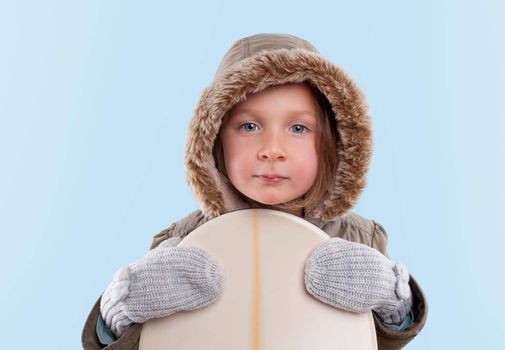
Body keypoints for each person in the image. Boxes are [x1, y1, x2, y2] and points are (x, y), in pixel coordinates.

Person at [82, 33, 428, 350]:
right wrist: (121, 309)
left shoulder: (358, 238)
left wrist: (394, 300)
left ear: (330, 142)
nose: (272, 149)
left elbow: (371, 340)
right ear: (215, 140)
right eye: (250, 126)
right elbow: (151, 341)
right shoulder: (183, 242)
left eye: (298, 127)